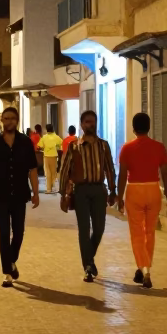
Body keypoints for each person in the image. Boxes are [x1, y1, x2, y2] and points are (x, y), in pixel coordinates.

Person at [0, 107, 39, 287]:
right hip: (0, 194)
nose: (9, 121)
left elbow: (33, 169)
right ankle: (7, 272)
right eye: (6, 118)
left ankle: (11, 260)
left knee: (19, 232)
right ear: (2, 121)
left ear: (17, 120)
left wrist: (36, 192)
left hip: (20, 193)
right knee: (4, 234)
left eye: (12, 118)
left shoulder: (26, 142)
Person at [59, 110, 117, 282]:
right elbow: (64, 170)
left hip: (99, 190)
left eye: (93, 122)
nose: (90, 125)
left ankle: (89, 257)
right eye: (87, 122)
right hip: (81, 191)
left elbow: (109, 168)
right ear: (82, 125)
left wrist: (113, 190)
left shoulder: (103, 145)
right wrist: (63, 194)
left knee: (99, 228)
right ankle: (88, 267)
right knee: (84, 229)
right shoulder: (74, 147)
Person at [117, 112, 167, 289]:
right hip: (153, 189)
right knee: (150, 232)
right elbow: (165, 174)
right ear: (149, 127)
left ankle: (145, 269)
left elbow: (123, 175)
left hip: (134, 190)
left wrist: (119, 197)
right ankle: (144, 268)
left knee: (137, 233)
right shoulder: (159, 147)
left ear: (133, 129)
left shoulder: (126, 148)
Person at [37, 124, 63, 193]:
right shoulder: (56, 137)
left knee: (47, 173)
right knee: (53, 172)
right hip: (54, 156)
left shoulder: (44, 137)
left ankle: (48, 189)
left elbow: (40, 146)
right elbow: (61, 144)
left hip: (46, 156)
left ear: (46, 129)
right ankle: (55, 187)